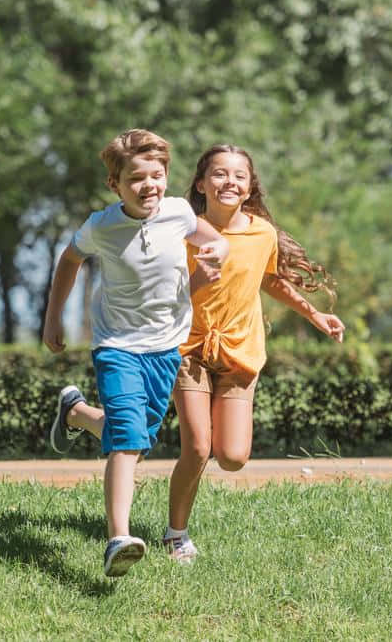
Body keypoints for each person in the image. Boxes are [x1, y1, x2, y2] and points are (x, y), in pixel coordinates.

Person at [51, 143, 344, 566]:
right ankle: (175, 534)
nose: (230, 182)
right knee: (196, 447)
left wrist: (314, 313)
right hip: (186, 346)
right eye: (220, 174)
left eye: (239, 175)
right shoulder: (181, 227)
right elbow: (164, 295)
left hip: (240, 350)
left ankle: (77, 413)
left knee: (232, 456)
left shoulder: (260, 233)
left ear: (250, 187)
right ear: (201, 183)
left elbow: (271, 279)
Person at [42, 129, 229, 578]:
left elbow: (211, 237)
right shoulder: (101, 226)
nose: (150, 186)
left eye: (157, 175)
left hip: (166, 348)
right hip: (117, 346)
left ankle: (76, 413)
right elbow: (69, 260)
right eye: (137, 178)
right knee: (127, 441)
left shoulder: (180, 213)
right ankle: (118, 539)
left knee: (134, 441)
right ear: (116, 184)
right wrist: (52, 319)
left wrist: (217, 251)